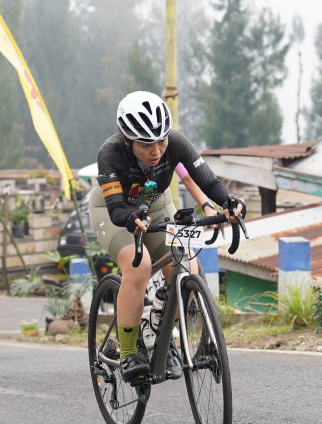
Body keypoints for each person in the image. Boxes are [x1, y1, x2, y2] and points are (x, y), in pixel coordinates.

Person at [93, 91, 243, 384]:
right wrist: (131, 219)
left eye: (161, 141)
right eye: (146, 144)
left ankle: (163, 333)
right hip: (115, 210)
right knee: (138, 267)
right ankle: (128, 352)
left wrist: (229, 202)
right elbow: (116, 210)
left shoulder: (175, 142)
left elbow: (208, 180)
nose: (157, 151)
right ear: (126, 139)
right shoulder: (110, 153)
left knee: (187, 266)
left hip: (156, 203)